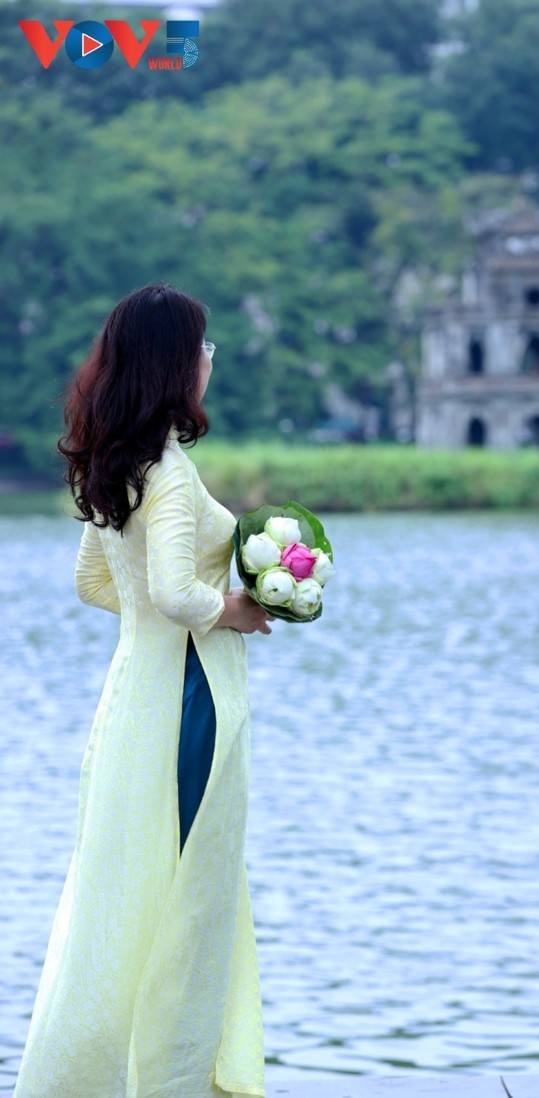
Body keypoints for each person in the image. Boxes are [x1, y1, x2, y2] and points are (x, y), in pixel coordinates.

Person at [14, 284, 272, 1098]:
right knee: (188, 887)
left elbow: (95, 582)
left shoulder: (119, 459)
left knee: (122, 887)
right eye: (203, 348)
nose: (208, 363)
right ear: (174, 361)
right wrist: (234, 607)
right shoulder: (167, 467)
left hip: (134, 695)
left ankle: (103, 1075)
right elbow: (171, 592)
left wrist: (166, 621)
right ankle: (174, 1080)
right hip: (184, 701)